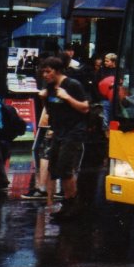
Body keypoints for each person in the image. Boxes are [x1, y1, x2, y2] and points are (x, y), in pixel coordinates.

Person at [38, 56, 89, 222]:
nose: (45, 75)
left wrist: (67, 97)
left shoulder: (72, 85)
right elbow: (50, 110)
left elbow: (85, 108)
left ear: (57, 71)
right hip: (59, 131)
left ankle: (73, 206)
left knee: (66, 169)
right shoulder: (51, 87)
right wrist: (44, 99)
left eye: (48, 71)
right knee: (57, 168)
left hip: (73, 132)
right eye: (43, 71)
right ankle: (67, 204)